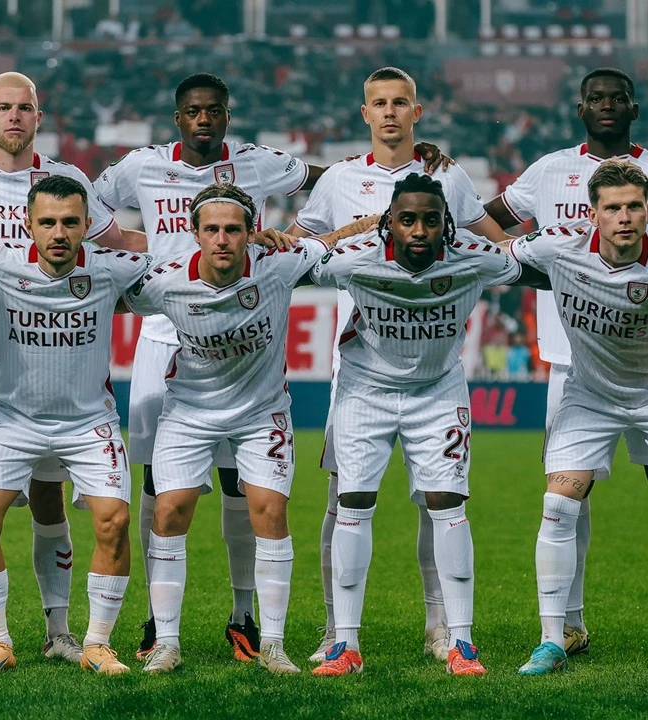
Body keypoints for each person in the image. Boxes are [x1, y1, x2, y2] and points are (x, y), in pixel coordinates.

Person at [90, 71, 451, 662]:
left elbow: (327, 180)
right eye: (192, 111)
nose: (203, 119)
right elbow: (86, 206)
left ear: (227, 115)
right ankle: (159, 624)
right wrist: (141, 248)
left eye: (213, 110)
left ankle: (244, 616)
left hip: (247, 312)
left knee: (244, 488)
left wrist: (408, 162)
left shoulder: (257, 163)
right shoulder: (142, 165)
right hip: (164, 330)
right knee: (160, 491)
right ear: (178, 117)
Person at [0, 71, 144, 663]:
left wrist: (205, 243)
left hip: (56, 367)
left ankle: (60, 631)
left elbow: (119, 243)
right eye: (4, 108)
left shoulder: (65, 182)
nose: (14, 117)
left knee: (49, 497)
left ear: (38, 117)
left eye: (25, 108)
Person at [286, 66, 507, 663]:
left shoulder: (448, 176)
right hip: (361, 361)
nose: (389, 112)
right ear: (365, 114)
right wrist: (358, 231)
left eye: (400, 102)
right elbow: (297, 248)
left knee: (438, 501)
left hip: (434, 357)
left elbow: (494, 243)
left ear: (417, 112)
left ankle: (442, 626)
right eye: (379, 103)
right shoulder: (339, 179)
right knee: (343, 498)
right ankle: (336, 629)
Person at [484, 67, 648, 660]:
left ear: (634, 108)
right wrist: (544, 274)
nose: (607, 106)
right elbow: (490, 224)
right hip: (571, 361)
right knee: (567, 495)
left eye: (617, 98)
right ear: (580, 109)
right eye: (596, 99)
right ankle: (569, 625)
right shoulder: (548, 170)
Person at [306, 173, 546, 677]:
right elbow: (291, 268)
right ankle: (344, 644)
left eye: (431, 220)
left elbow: (538, 271)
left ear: (447, 224)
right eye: (408, 220)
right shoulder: (354, 260)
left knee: (447, 503)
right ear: (389, 223)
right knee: (353, 502)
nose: (419, 230)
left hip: (438, 391)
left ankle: (462, 642)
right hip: (364, 391)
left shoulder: (476, 258)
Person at [510, 160, 648, 678]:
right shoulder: (559, 243)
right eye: (613, 208)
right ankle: (552, 640)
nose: (624, 217)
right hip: (590, 394)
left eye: (634, 206)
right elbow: (497, 256)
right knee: (557, 504)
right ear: (593, 214)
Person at [124, 183, 327, 675]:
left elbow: (332, 242)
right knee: (168, 510)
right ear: (193, 233)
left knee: (270, 511)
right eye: (211, 229)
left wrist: (376, 222)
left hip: (261, 413)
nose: (222, 239)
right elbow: (106, 294)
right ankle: (167, 642)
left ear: (252, 232)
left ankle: (273, 645)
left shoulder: (279, 264)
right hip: (189, 411)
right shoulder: (165, 281)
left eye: (233, 229)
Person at [0, 175, 151, 674]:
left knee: (114, 521)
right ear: (28, 223)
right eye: (47, 222)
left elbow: (184, 267)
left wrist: (259, 247)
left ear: (88, 225)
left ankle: (96, 645)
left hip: (88, 422)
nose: (59, 233)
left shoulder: (113, 268)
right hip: (13, 421)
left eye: (70, 222)